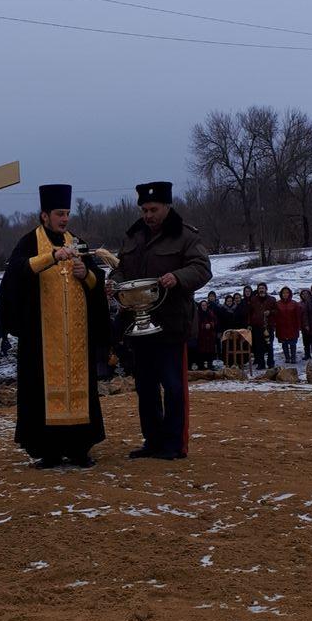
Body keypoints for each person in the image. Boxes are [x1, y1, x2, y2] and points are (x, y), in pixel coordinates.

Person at [0, 184, 109, 469]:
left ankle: (79, 449)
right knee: (41, 393)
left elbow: (97, 281)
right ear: (44, 215)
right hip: (41, 337)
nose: (65, 219)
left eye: (67, 213)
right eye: (59, 214)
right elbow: (15, 274)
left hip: (76, 338)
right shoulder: (29, 242)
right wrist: (51, 257)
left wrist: (86, 274)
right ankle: (48, 451)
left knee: (80, 390)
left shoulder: (77, 242)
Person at [108, 181, 212, 461]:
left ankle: (174, 444)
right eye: (144, 210)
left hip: (172, 325)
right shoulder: (133, 237)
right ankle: (152, 441)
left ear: (167, 206)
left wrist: (177, 277)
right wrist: (114, 283)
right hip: (138, 326)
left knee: (174, 386)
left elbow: (202, 269)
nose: (148, 215)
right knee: (145, 387)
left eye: (153, 209)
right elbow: (121, 269)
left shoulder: (185, 236)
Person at [248, 282, 277, 370]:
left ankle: (271, 363)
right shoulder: (253, 299)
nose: (261, 290)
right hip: (257, 326)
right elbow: (250, 313)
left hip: (268, 326)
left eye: (263, 288)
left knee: (269, 345)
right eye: (259, 288)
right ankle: (261, 364)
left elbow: (276, 311)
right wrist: (249, 323)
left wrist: (270, 312)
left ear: (266, 289)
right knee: (259, 346)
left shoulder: (272, 299)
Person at [275, 286, 300, 364]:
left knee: (293, 343)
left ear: (290, 294)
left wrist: (298, 326)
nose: (285, 294)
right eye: (283, 293)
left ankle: (293, 357)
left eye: (287, 293)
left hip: (292, 326)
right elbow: (276, 316)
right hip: (281, 327)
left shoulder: (294, 303)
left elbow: (298, 316)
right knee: (284, 343)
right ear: (281, 294)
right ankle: (287, 358)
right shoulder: (278, 304)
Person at [195, 299, 217, 370]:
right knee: (201, 351)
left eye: (205, 305)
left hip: (210, 335)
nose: (204, 306)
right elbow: (196, 323)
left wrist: (211, 324)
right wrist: (204, 326)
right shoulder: (198, 314)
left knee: (210, 351)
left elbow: (215, 321)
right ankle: (201, 365)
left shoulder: (210, 312)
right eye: (203, 305)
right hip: (201, 335)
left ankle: (210, 365)